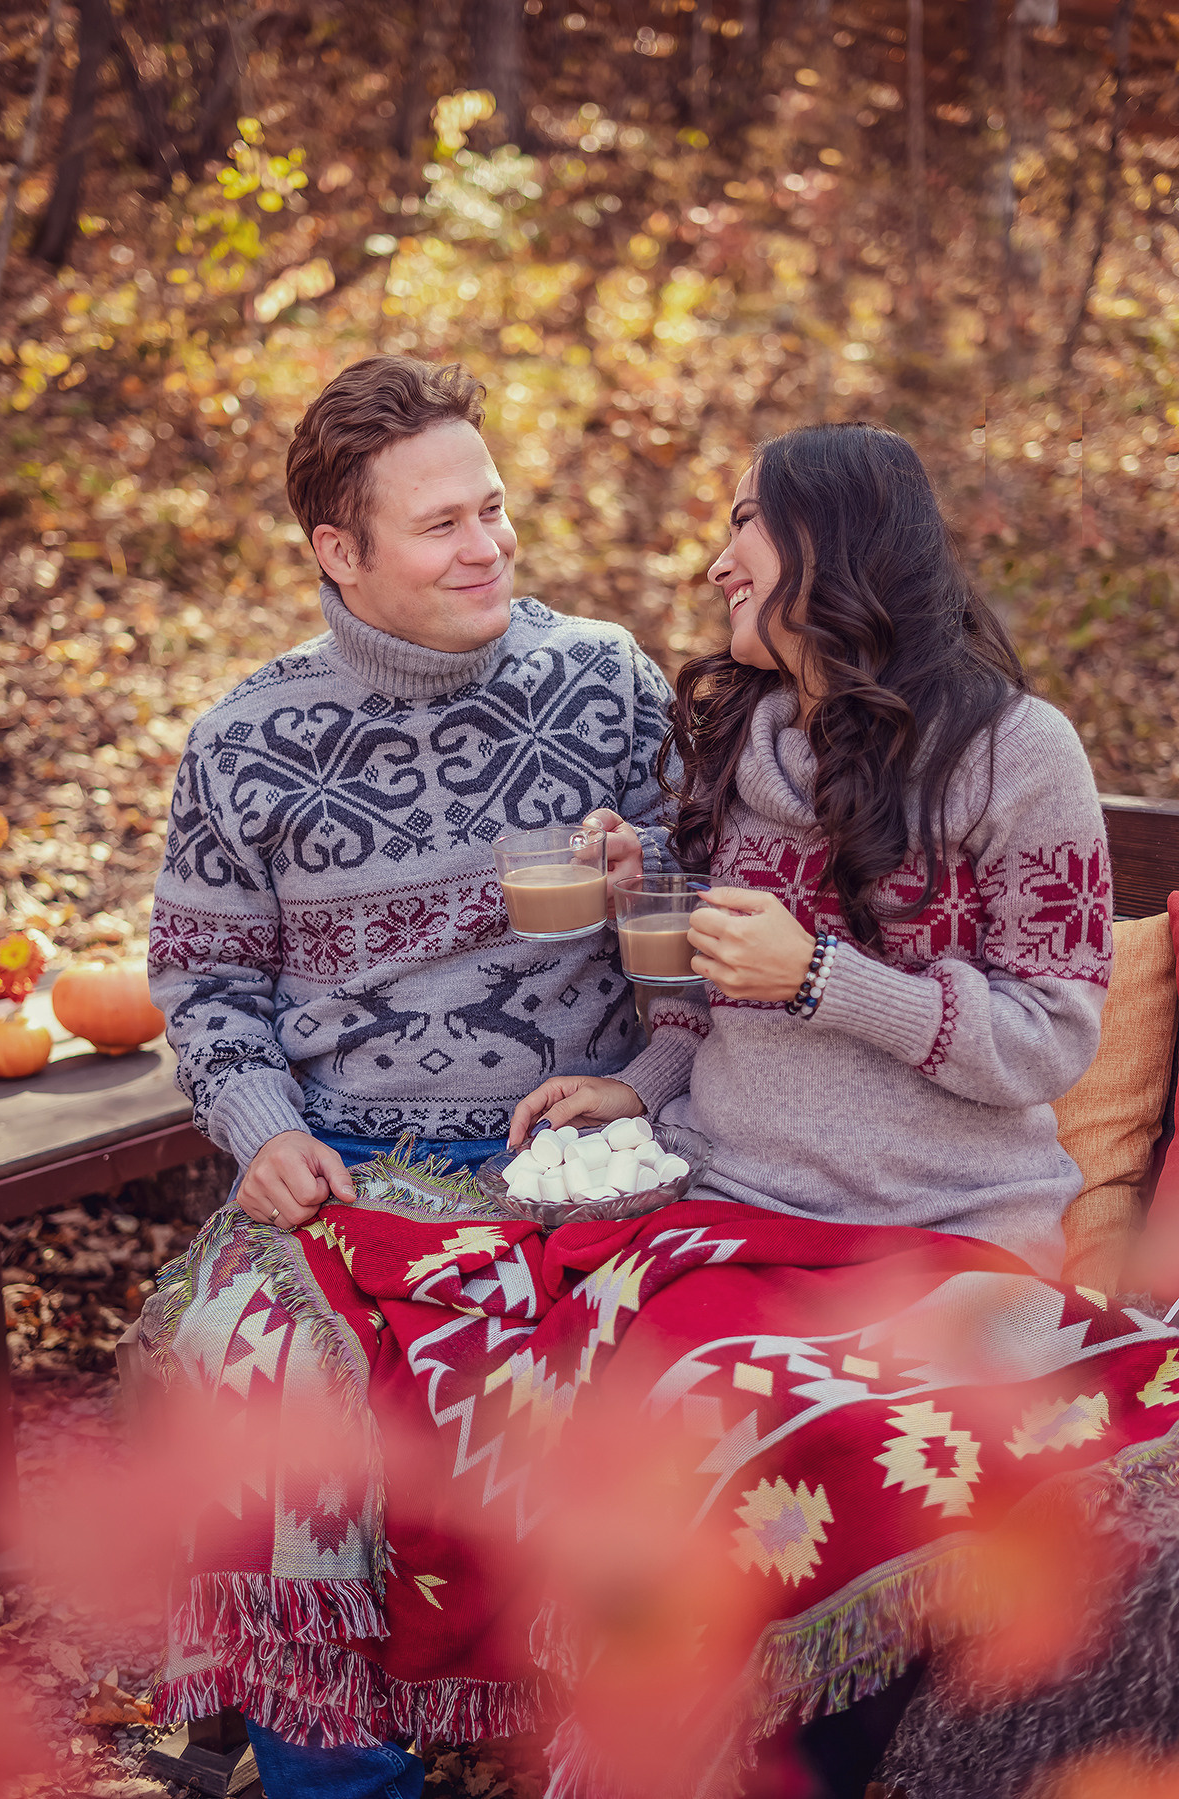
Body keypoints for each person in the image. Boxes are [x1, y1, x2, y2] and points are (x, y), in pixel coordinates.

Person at [147, 353, 676, 1795]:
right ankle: (343, 1776)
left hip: (577, 1163)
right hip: (350, 1160)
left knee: (651, 1371)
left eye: (495, 508)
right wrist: (256, 1125)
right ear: (341, 551)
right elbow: (202, 980)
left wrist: (645, 939)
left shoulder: (606, 682)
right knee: (241, 1368)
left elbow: (694, 948)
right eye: (443, 522)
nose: (490, 543)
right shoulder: (246, 740)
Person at [511, 419, 1112, 1282]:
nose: (719, 565)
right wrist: (642, 1082)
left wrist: (823, 979)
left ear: (834, 538)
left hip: (950, 1227)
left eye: (745, 521)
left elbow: (1048, 1039)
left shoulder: (1016, 753)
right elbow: (712, 997)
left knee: (848, 1415)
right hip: (728, 1205)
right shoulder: (736, 747)